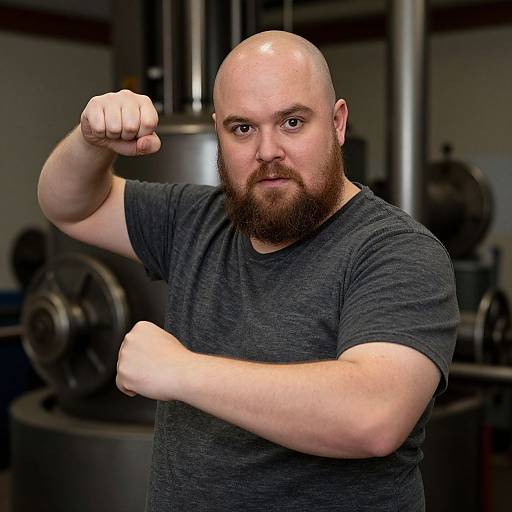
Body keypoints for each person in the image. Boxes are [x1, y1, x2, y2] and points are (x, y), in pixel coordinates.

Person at [38, 30, 458, 511]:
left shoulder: (395, 251)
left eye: (292, 122)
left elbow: (373, 416)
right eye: (242, 129)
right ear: (218, 131)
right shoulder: (197, 220)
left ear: (338, 123)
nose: (267, 150)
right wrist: (91, 142)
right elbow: (69, 207)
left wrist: (181, 372)